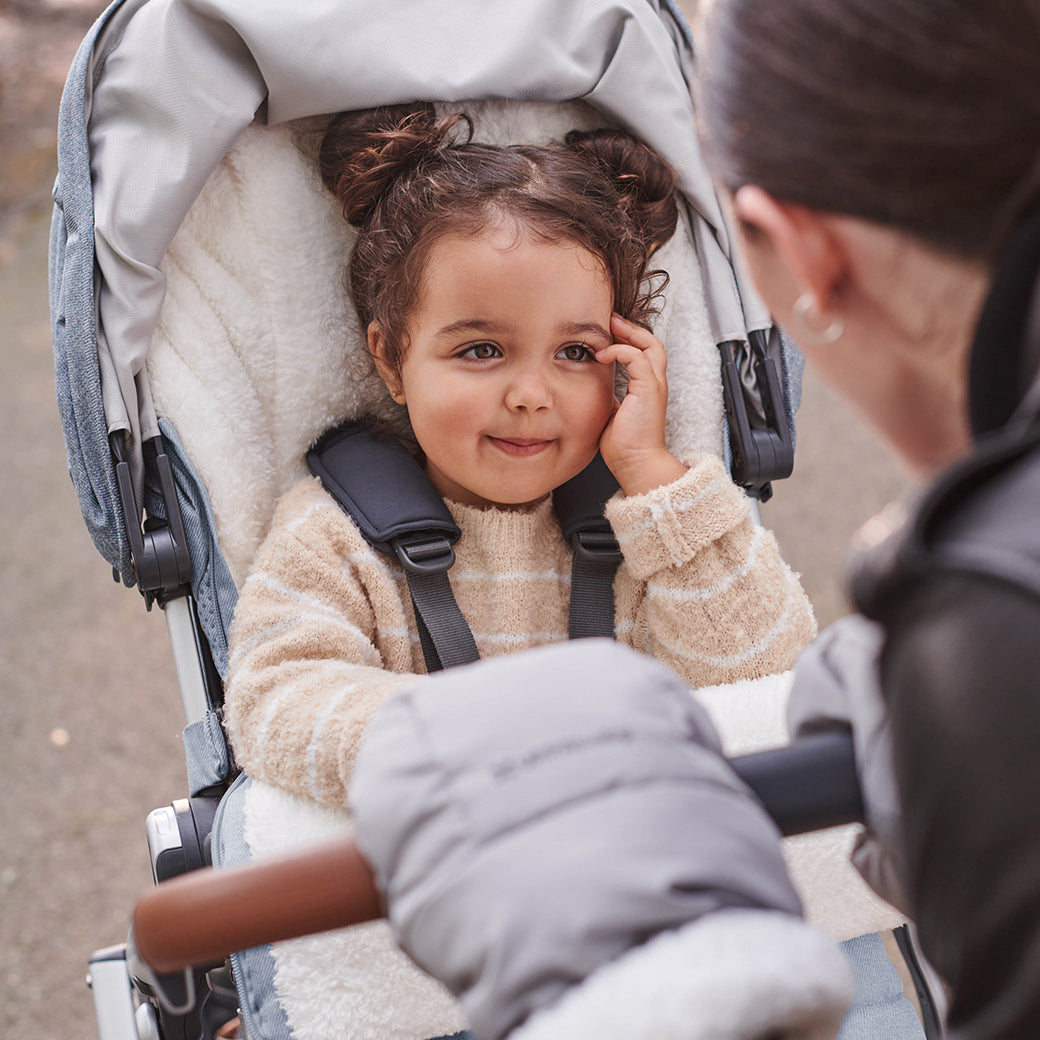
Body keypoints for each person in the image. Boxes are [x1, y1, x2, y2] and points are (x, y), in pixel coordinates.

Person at [222, 104, 816, 812]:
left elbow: (768, 688)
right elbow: (278, 704)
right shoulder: (334, 537)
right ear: (390, 358)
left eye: (576, 353)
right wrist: (495, 739)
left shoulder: (656, 535)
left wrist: (657, 476)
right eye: (481, 350)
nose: (532, 395)